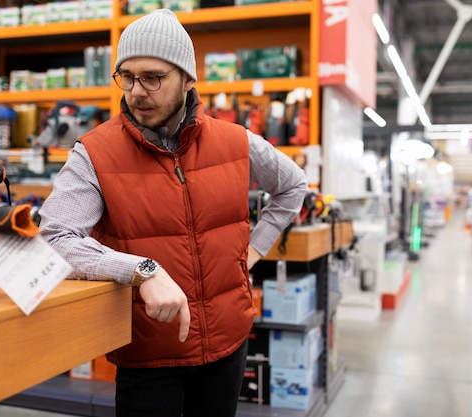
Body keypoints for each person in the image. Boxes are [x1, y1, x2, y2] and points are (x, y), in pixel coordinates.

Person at [38, 9, 308, 417]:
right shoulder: (95, 153)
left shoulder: (235, 142)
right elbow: (54, 240)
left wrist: (250, 253)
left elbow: (293, 186)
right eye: (126, 77)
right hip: (149, 357)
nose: (136, 91)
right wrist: (143, 269)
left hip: (228, 345)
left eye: (153, 77)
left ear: (187, 79)